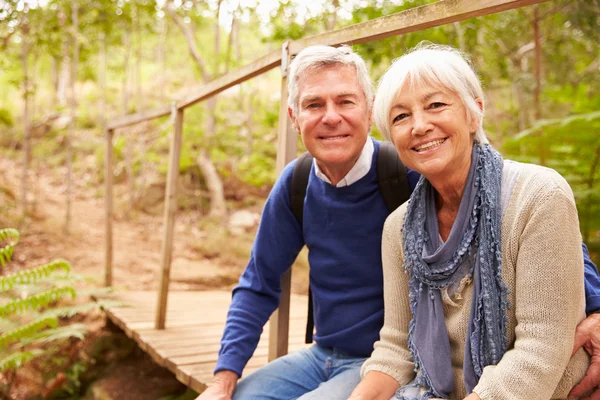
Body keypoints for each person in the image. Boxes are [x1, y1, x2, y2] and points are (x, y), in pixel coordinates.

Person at [196, 45, 600, 400]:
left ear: (369, 111)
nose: (331, 117)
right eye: (314, 105)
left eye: (346, 102)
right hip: (340, 354)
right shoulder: (319, 192)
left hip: (402, 364)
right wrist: (222, 379)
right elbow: (258, 282)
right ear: (293, 116)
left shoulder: (410, 170)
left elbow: (526, 225)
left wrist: (596, 308)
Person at [348, 43, 592, 400]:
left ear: (474, 113)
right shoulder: (397, 228)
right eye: (401, 117)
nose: (419, 126)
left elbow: (542, 347)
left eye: (436, 105)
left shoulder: (540, 195)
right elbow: (397, 347)